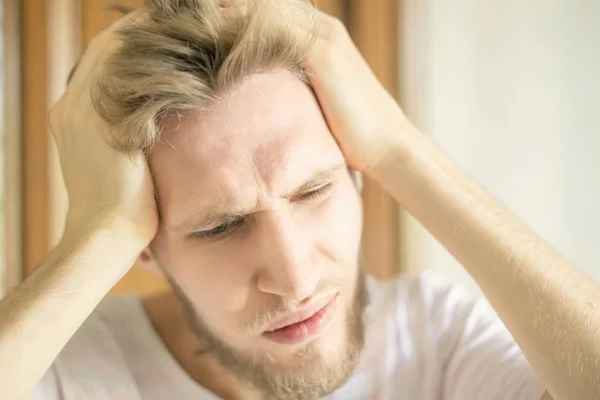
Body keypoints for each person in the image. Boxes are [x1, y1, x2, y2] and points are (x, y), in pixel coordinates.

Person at [1, 0, 597, 399]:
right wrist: (97, 235)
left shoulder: (435, 341)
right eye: (222, 227)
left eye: (315, 189)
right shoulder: (66, 371)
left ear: (359, 172)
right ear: (144, 246)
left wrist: (399, 148)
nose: (296, 277)